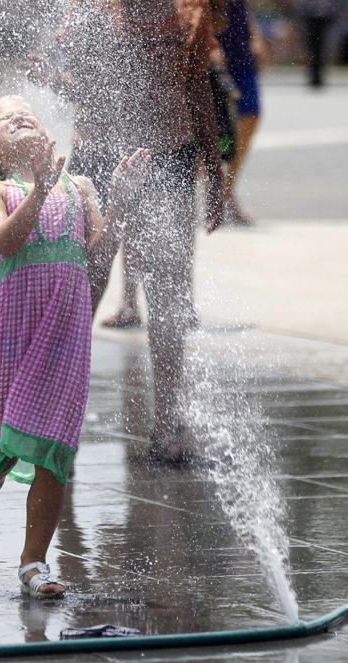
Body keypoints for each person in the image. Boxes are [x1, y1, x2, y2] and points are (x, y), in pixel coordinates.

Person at [0, 95, 150, 595]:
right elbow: (4, 242)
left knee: (54, 451)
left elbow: (98, 254)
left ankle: (34, 562)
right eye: (3, 117)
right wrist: (37, 193)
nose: (19, 115)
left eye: (27, 112)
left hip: (64, 336)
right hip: (12, 336)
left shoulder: (78, 187)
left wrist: (121, 201)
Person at [27, 0, 224, 463]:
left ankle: (169, 422)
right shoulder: (93, 10)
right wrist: (54, 74)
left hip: (168, 155)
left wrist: (214, 175)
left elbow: (198, 89)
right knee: (86, 283)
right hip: (99, 154)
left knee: (169, 289)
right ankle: (57, 418)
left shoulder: (189, 11)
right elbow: (73, 77)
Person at [218, 0, 267, 225]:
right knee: (206, 129)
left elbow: (242, 7)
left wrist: (255, 37)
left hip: (240, 51)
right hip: (211, 48)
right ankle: (213, 195)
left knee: (250, 116)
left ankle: (226, 191)